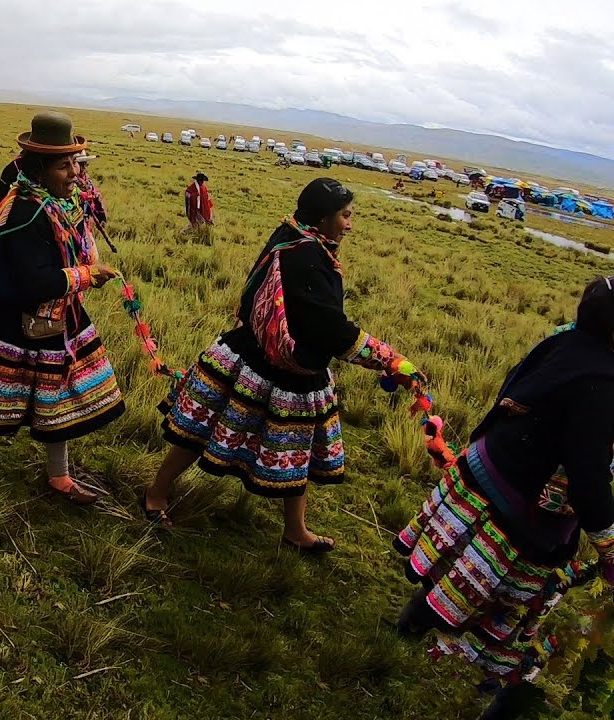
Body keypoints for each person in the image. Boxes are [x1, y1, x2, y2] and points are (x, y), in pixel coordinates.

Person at [144, 178, 424, 549]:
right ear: (323, 218)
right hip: (259, 364)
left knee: (296, 449)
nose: (350, 225)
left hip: (284, 363)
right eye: (345, 215)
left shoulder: (293, 234)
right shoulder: (304, 255)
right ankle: (156, 494)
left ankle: (295, 529)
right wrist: (390, 361)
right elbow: (329, 327)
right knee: (200, 429)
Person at [392, 279, 614, 720]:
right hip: (525, 502)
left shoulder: (563, 339)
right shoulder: (602, 382)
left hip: (488, 462)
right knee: (526, 600)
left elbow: (514, 388)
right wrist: (608, 544)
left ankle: (416, 620)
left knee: (460, 563)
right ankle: (507, 688)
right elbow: (588, 474)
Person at [0, 111, 124, 504]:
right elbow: (35, 282)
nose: (74, 173)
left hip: (53, 313)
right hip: (15, 312)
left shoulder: (54, 204)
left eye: (76, 164)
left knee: (54, 393)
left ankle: (58, 474)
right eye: (64, 166)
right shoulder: (28, 211)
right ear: (39, 170)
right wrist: (87, 276)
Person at [74, 152, 107, 232]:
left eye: (85, 164)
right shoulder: (70, 182)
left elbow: (94, 196)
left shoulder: (87, 179)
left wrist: (100, 215)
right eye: (81, 164)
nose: (83, 167)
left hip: (87, 221)